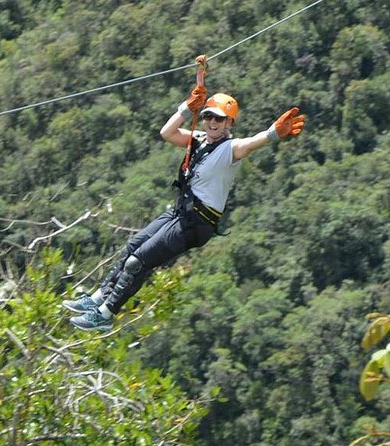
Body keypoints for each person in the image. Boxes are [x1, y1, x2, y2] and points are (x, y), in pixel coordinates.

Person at [62, 83, 305, 331]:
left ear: (229, 124)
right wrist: (186, 108)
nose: (212, 123)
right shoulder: (198, 139)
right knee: (132, 246)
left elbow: (252, 143)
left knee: (139, 261)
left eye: (219, 120)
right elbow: (167, 133)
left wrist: (273, 133)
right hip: (181, 212)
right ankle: (97, 298)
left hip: (197, 223)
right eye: (208, 116)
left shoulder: (230, 150)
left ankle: (105, 314)